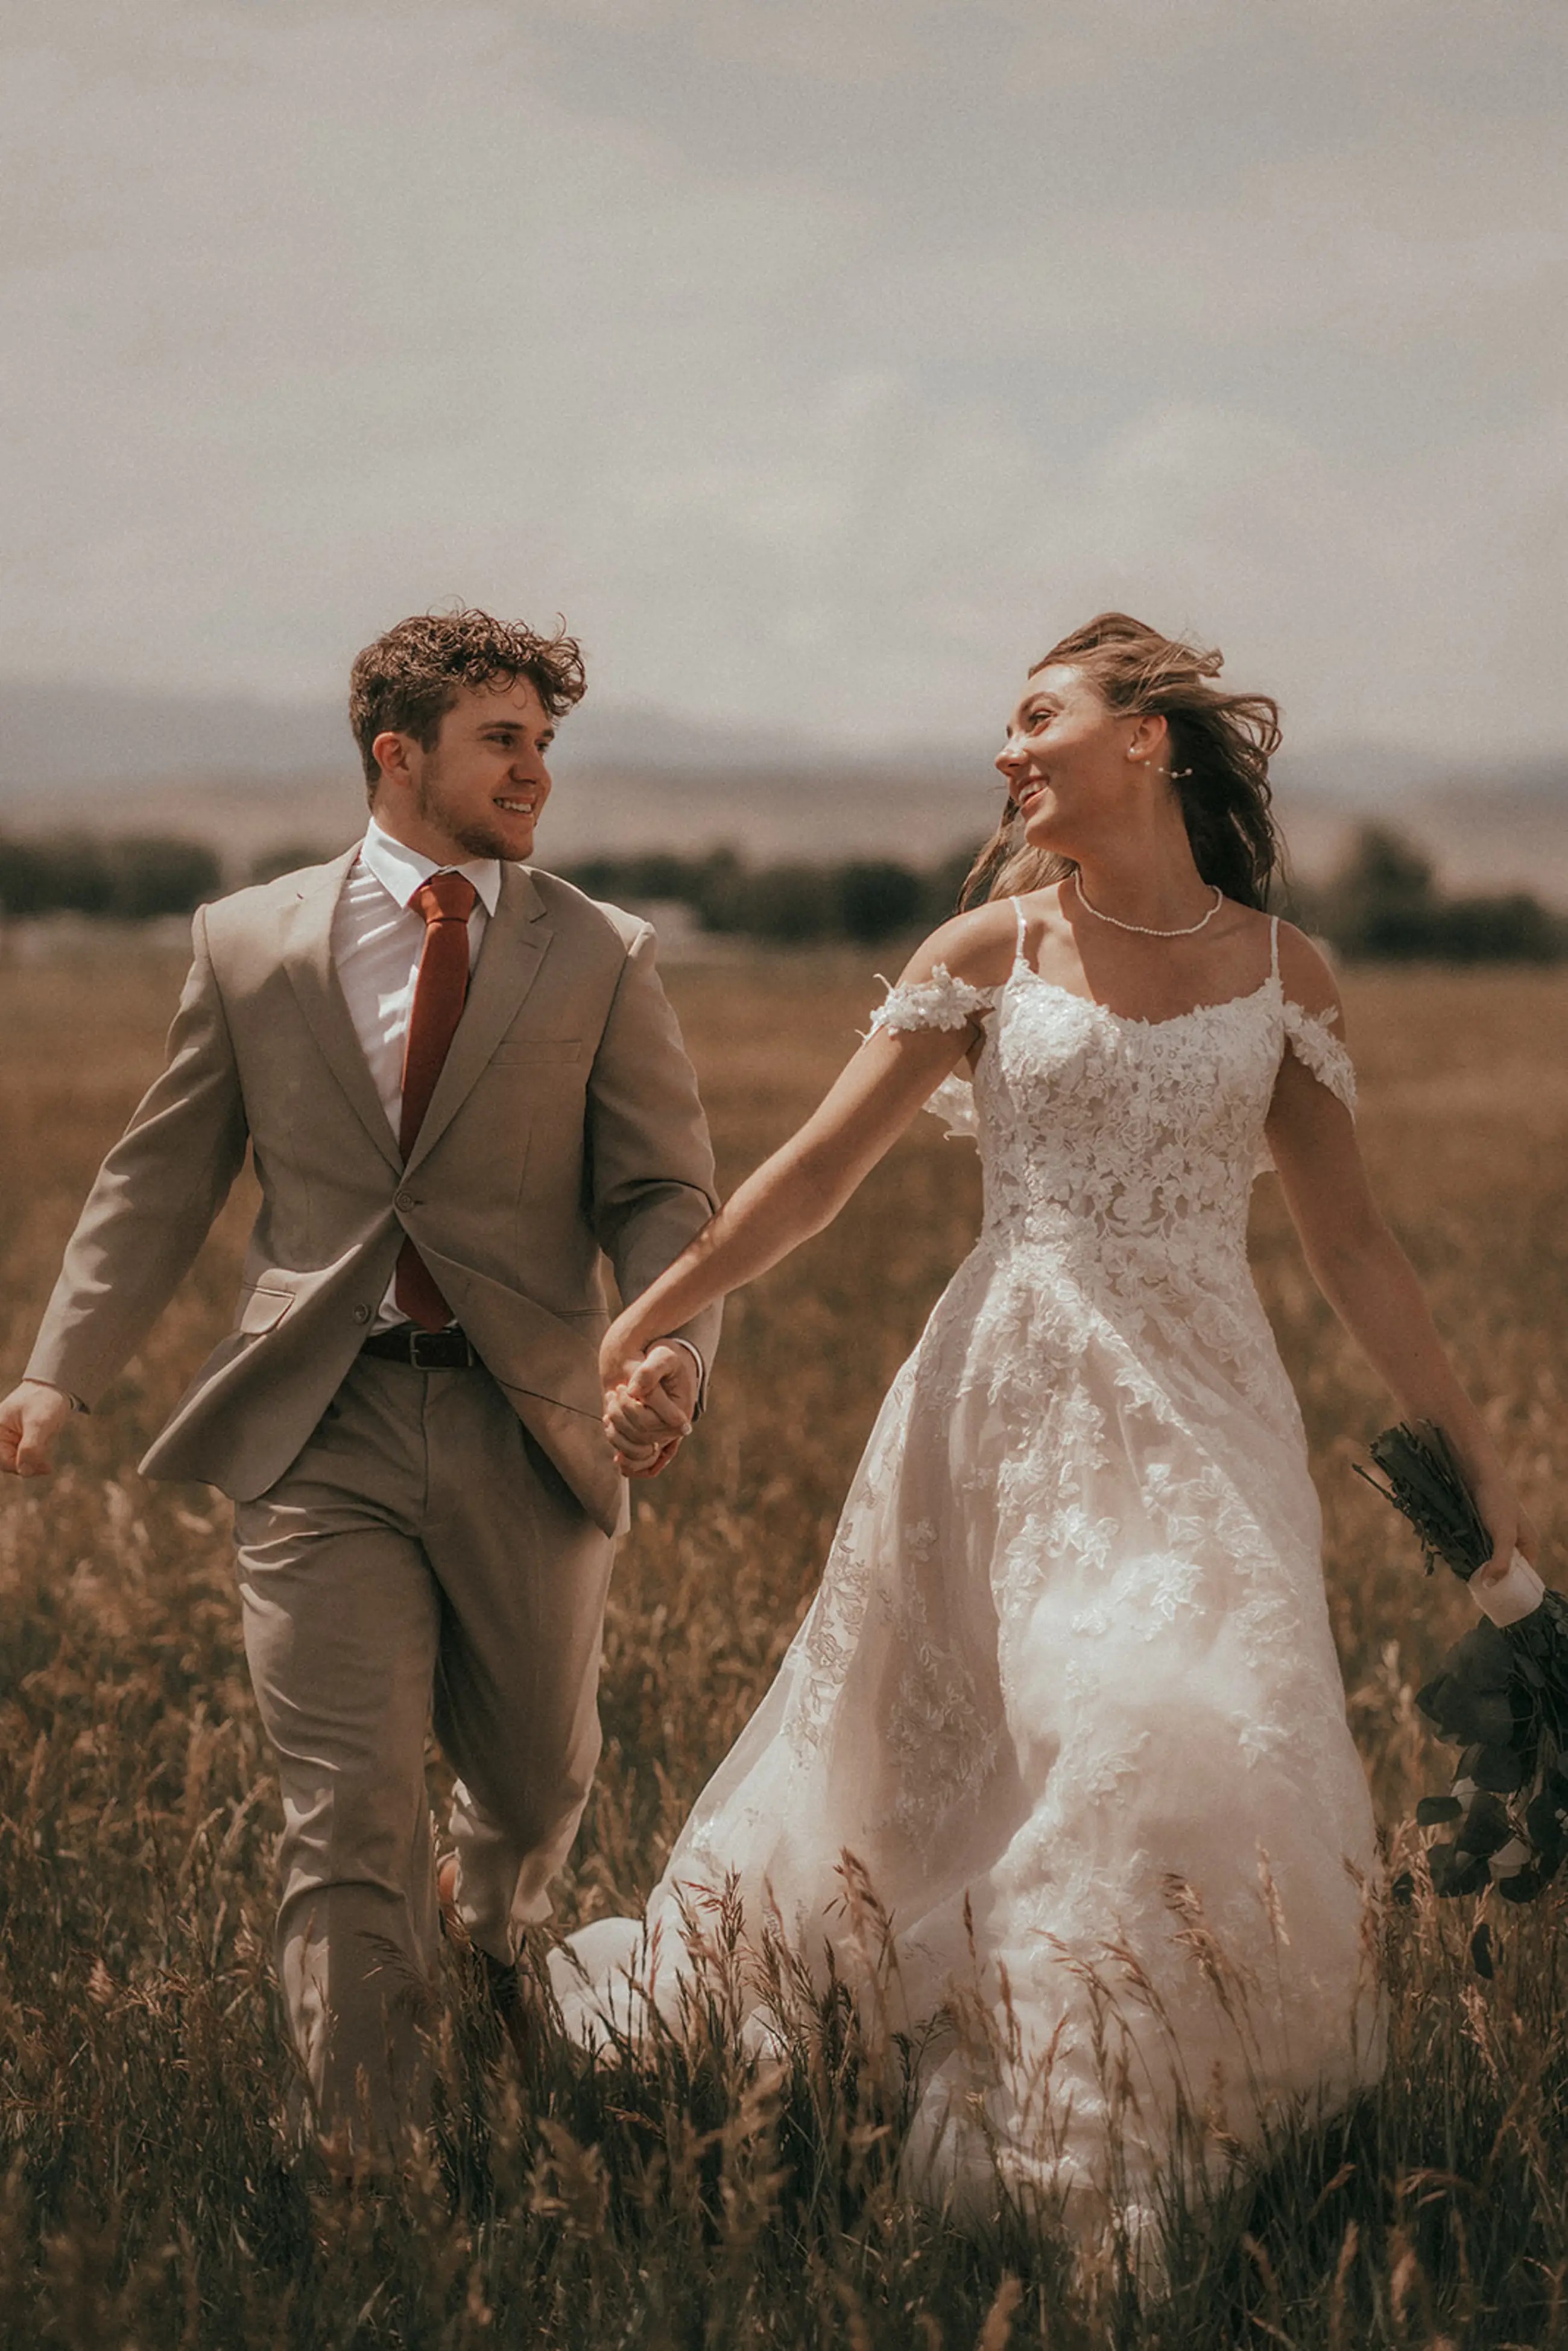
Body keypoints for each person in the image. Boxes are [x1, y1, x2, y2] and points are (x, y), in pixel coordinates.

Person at [564, 612, 1537, 2251]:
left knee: (1203, 1720)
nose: (1008, 755)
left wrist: (1473, 1462)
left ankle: (1142, 2115)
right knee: (971, 1767)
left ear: (1147, 736)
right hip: (1007, 1399)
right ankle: (1027, 2115)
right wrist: (652, 1308)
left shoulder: (1289, 975)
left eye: (1040, 718)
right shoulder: (987, 958)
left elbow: (1353, 1244)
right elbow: (816, 1173)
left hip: (1212, 1406)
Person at [0, 607, 721, 2147]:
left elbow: (663, 1193)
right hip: (311, 1424)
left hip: (529, 1421)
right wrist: (62, 1368)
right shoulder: (248, 938)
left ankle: (488, 1942)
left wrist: (667, 1346)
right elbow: (161, 1174)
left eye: (544, 743)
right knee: (343, 1814)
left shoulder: (600, 950)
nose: (535, 772)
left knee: (530, 1787)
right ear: (399, 755)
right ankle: (371, 2168)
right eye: (502, 741)